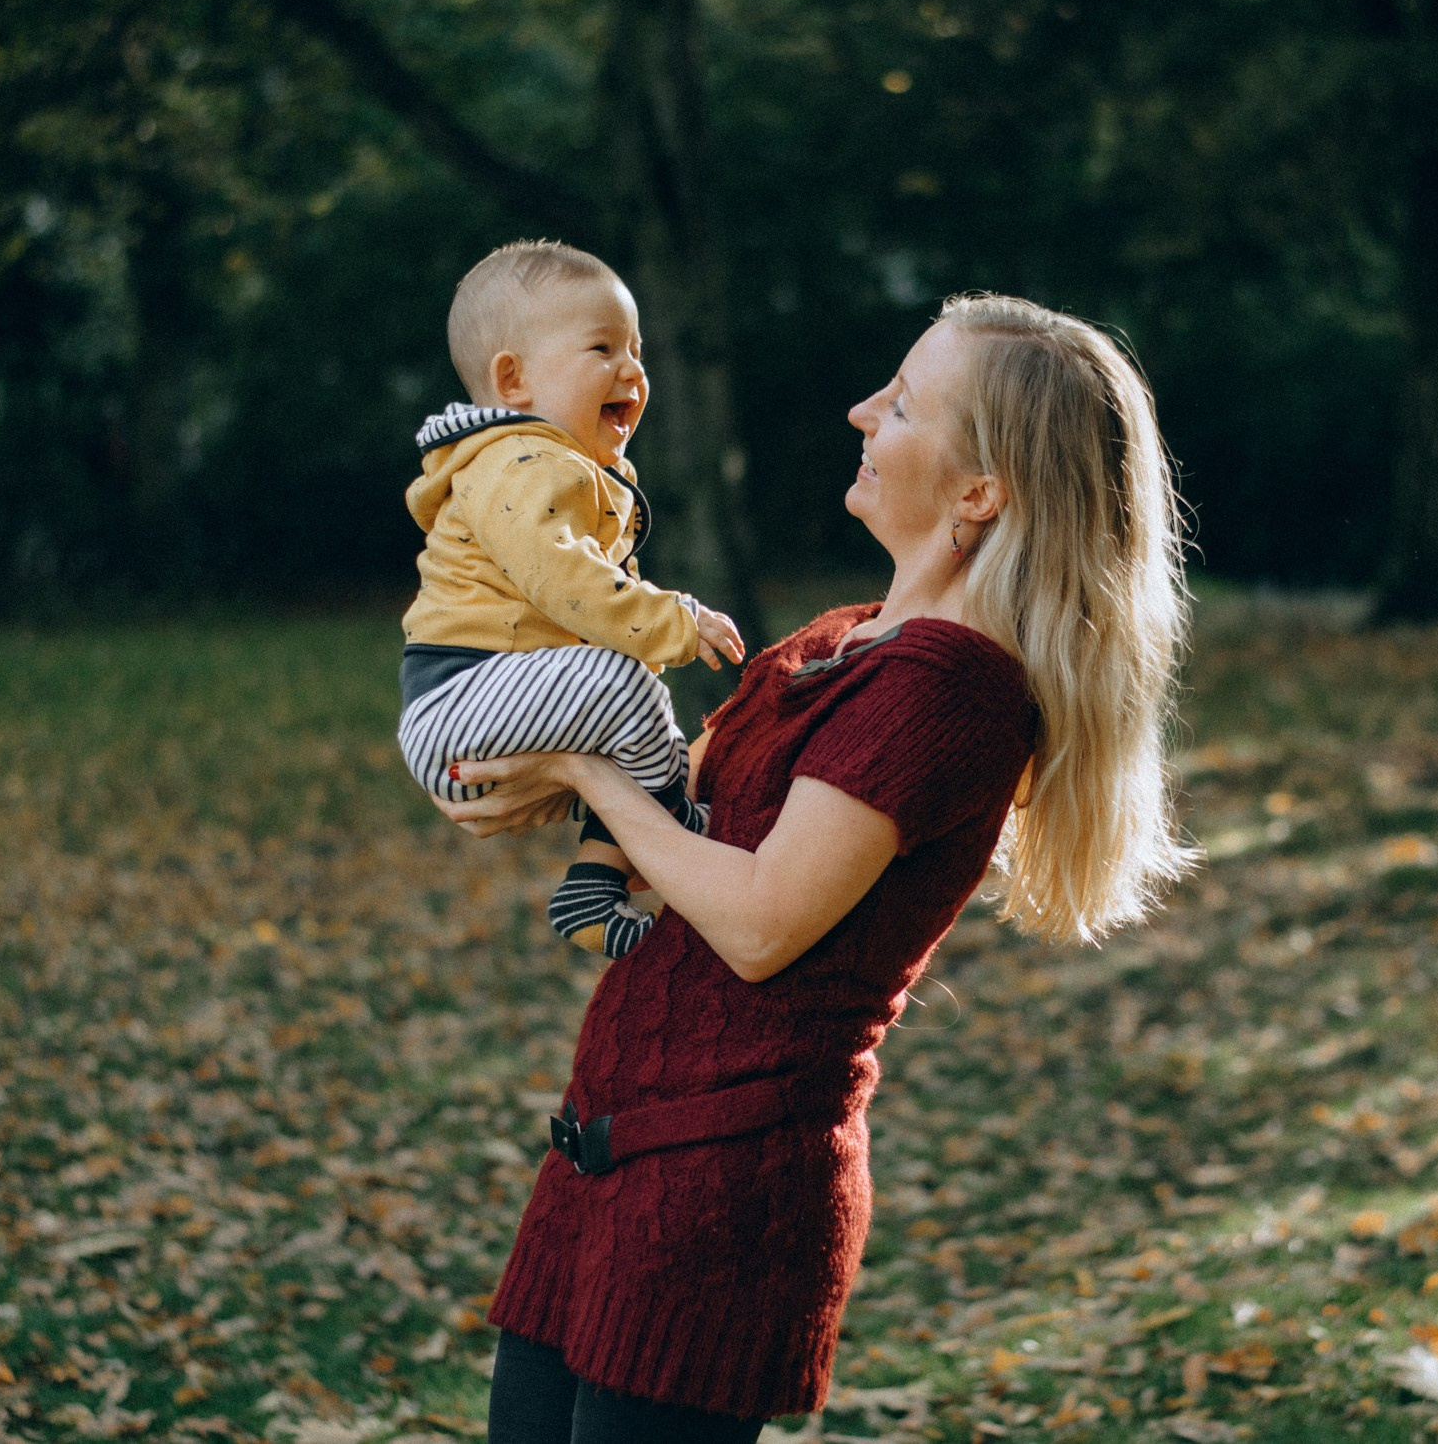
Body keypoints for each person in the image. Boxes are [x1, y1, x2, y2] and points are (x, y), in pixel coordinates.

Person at [439, 294, 1200, 1443]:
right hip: (605, 1157)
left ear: (979, 493)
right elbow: (670, 822)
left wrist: (590, 780)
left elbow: (757, 922)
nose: (859, 411)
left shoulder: (945, 692)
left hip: (717, 1197)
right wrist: (522, 760)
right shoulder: (840, 644)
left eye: (899, 403)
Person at [398, 239, 745, 959]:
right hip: (462, 699)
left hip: (496, 698)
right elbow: (567, 577)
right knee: (624, 679)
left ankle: (594, 883)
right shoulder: (520, 462)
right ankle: (674, 823)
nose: (632, 369)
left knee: (633, 709)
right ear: (513, 379)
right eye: (602, 348)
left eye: (636, 349)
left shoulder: (555, 462)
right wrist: (673, 618)